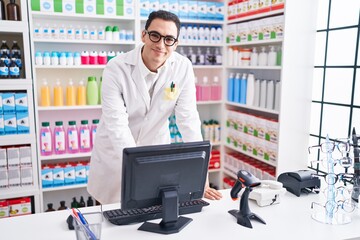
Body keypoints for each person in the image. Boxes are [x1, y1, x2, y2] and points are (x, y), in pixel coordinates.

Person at [87, 10, 222, 204]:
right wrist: (138, 167)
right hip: (115, 157)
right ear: (144, 35)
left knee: (151, 214)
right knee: (114, 219)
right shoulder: (116, 68)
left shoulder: (182, 67)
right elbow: (117, 126)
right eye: (155, 35)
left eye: (169, 39)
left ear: (176, 43)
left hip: (155, 152)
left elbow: (189, 120)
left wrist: (202, 176)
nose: (160, 45)